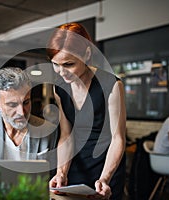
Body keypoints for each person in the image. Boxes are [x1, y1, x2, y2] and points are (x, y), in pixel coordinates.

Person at [47, 22, 126, 199]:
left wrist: (105, 178)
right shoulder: (59, 88)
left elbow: (118, 137)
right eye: (55, 64)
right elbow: (66, 135)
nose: (61, 72)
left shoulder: (111, 85)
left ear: (87, 53)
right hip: (75, 165)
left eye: (68, 64)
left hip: (105, 167)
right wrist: (61, 171)